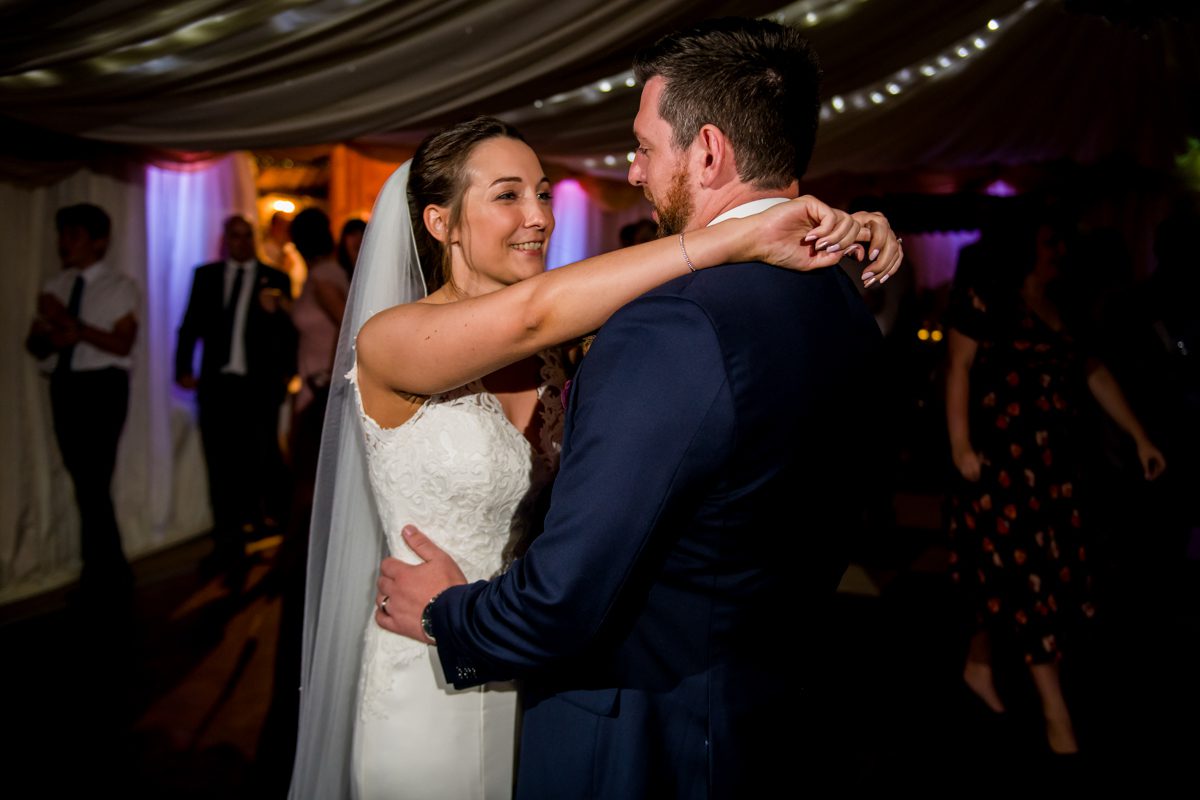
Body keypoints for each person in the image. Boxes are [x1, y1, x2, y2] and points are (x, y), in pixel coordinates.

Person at [289, 108, 900, 797]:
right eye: (509, 195)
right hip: (429, 660)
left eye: (545, 192)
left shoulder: (569, 346)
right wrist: (741, 234)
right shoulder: (390, 339)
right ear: (441, 223)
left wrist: (835, 224)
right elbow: (532, 311)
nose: (540, 216)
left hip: (535, 657)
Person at [945, 210, 1166, 755]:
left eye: (1060, 242)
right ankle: (1056, 716)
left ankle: (978, 666)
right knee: (1029, 584)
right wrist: (962, 447)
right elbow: (959, 369)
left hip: (1055, 469)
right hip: (1001, 469)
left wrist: (1139, 435)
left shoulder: (1065, 305)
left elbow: (1094, 372)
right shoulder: (985, 296)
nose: (1057, 252)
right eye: (1048, 242)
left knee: (1007, 580)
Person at [25, 203, 138, 600]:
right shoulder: (56, 286)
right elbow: (36, 343)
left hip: (103, 387)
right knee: (83, 478)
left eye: (73, 235)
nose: (64, 243)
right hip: (65, 384)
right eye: (63, 235)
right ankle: (107, 564)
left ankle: (105, 568)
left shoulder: (118, 286)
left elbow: (123, 341)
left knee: (95, 476)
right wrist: (53, 332)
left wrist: (76, 329)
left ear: (98, 241)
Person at [175, 215, 297, 570]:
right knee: (219, 464)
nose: (240, 242)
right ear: (225, 239)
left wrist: (282, 378)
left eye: (246, 236)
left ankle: (275, 535)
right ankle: (227, 540)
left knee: (263, 459)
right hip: (217, 385)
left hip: (258, 388)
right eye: (234, 236)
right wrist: (182, 367)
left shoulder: (275, 279)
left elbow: (288, 338)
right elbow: (190, 325)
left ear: (254, 239)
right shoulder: (206, 276)